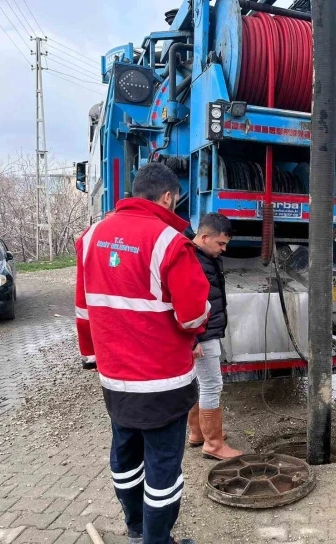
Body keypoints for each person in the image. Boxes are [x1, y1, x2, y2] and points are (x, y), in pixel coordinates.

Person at [75, 162, 210, 544]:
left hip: (115, 378)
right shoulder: (169, 242)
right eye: (176, 201)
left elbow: (83, 309)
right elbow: (192, 315)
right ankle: (156, 540)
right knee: (163, 464)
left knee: (125, 455)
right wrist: (203, 323)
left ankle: (135, 529)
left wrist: (92, 356)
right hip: (163, 381)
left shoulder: (91, 237)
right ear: (167, 196)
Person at [186, 212, 244, 460]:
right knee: (211, 385)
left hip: (204, 331)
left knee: (199, 383)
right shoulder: (192, 261)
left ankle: (198, 433)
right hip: (203, 333)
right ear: (205, 236)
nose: (223, 249)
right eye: (220, 243)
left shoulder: (201, 256)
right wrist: (195, 339)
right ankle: (214, 444)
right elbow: (183, 301)